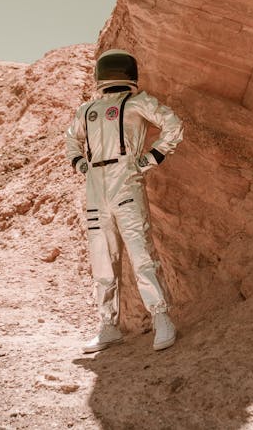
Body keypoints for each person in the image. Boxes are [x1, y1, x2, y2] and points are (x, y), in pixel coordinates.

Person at [65, 49, 184, 352]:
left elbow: (173, 124)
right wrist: (81, 164)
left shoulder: (137, 103)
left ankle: (161, 318)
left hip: (124, 181)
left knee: (140, 252)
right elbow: (71, 140)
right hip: (96, 186)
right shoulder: (88, 110)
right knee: (102, 258)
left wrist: (146, 161)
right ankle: (108, 326)